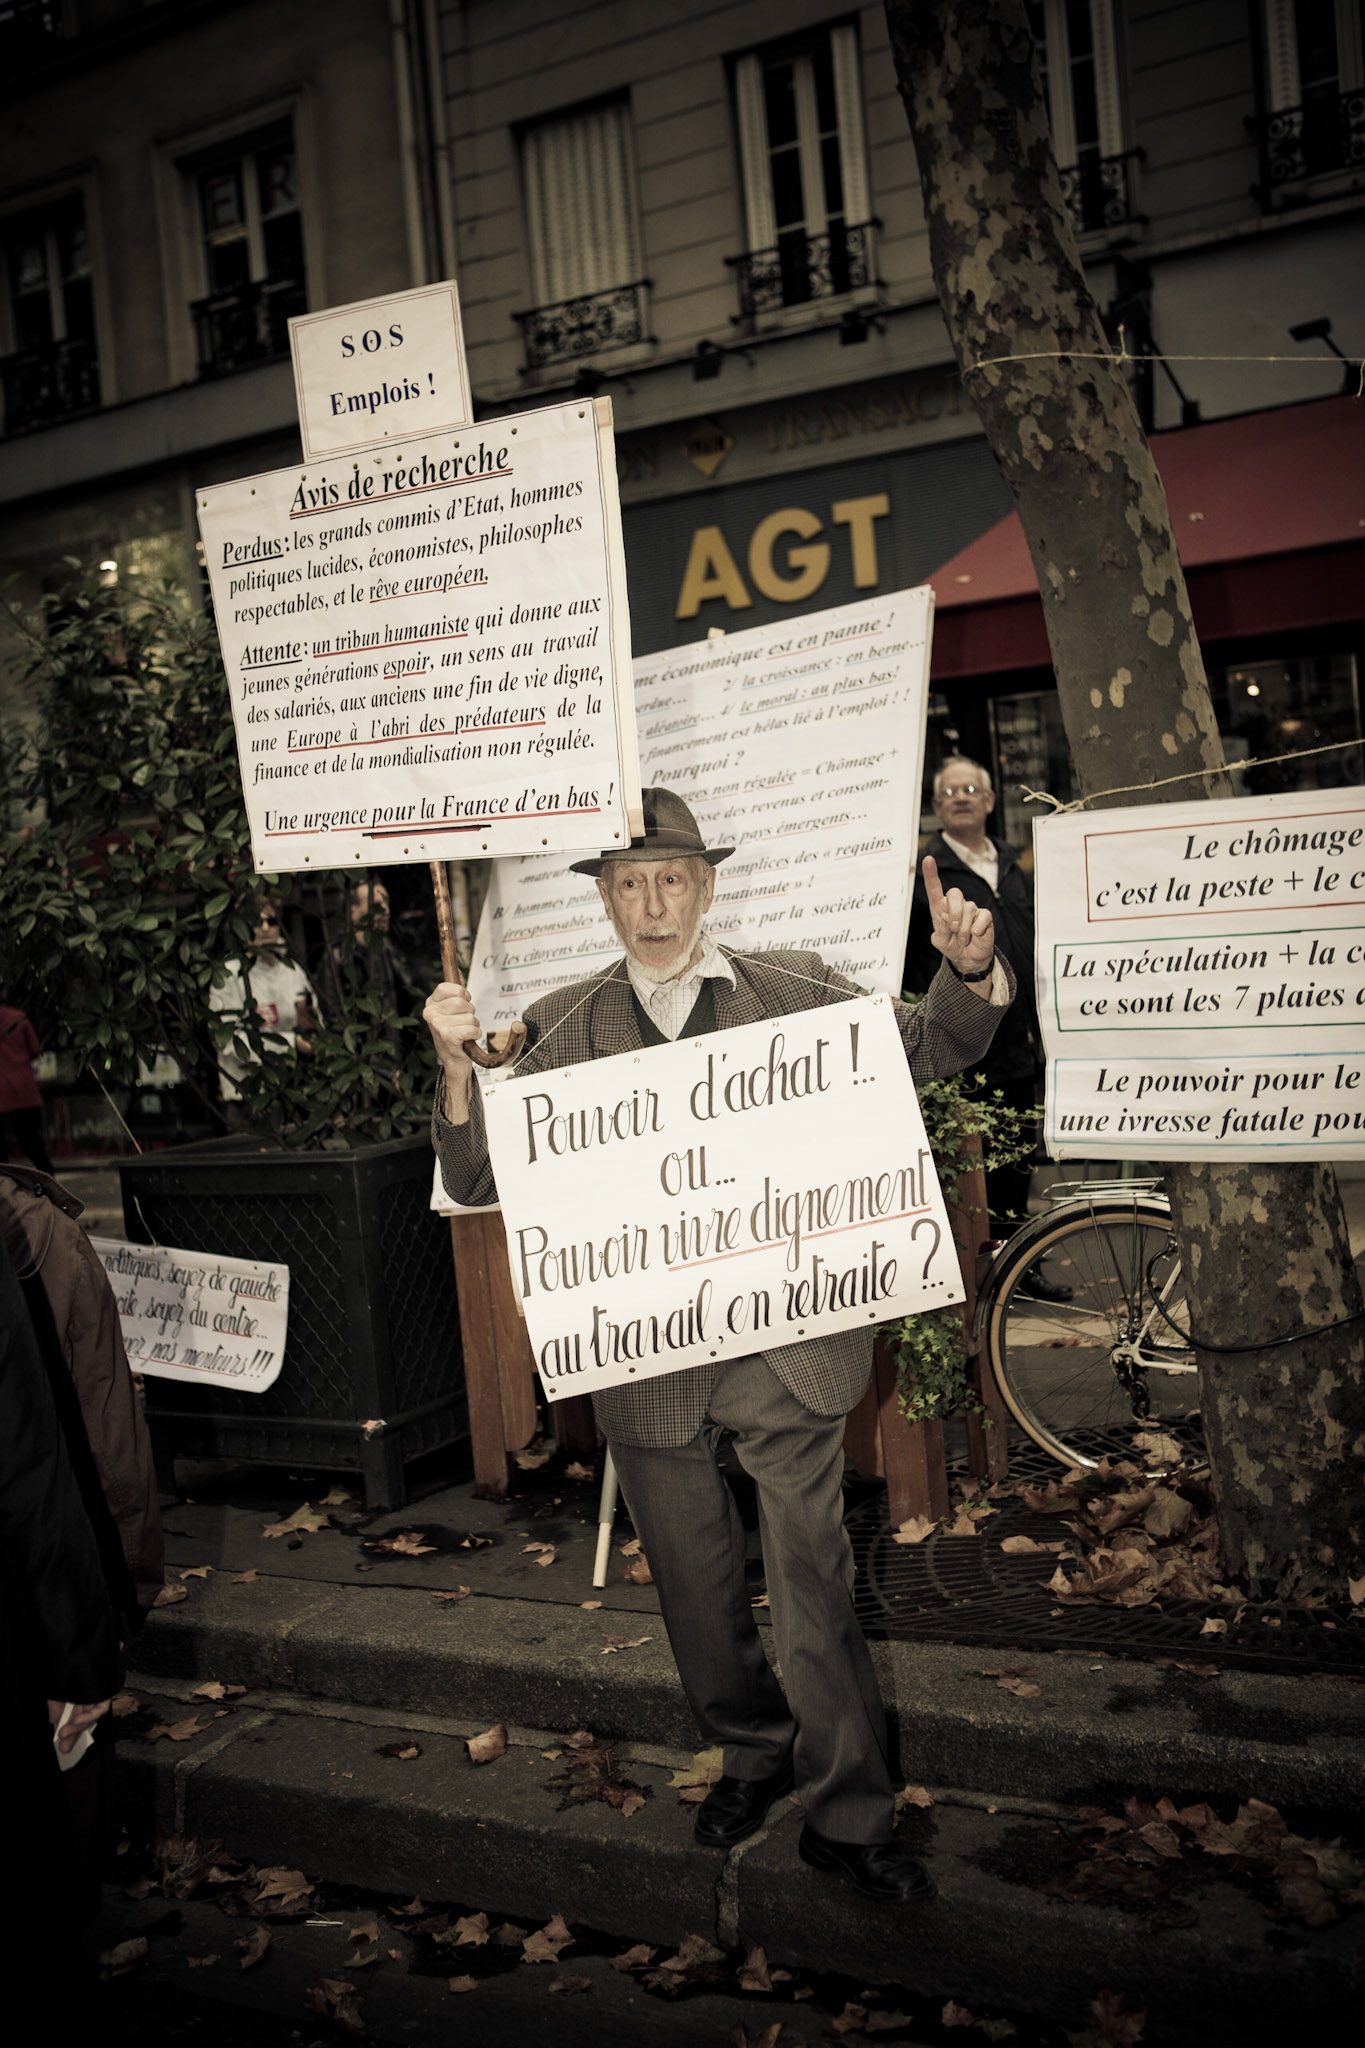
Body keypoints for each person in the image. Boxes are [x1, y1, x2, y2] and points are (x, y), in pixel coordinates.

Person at [425, 787, 1013, 1903]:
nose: (653, 904)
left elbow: (932, 1045)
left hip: (785, 1349)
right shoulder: (555, 1023)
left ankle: (849, 1812)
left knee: (811, 1574)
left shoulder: (795, 990)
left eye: (673, 879)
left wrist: (971, 971)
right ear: (603, 896)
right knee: (695, 1586)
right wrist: (459, 1066)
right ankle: (752, 1749)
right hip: (646, 1363)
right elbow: (476, 1175)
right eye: (630, 882)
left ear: (707, 885)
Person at [903, 756, 1071, 1304]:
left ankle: (1020, 1268)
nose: (962, 797)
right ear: (936, 806)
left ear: (991, 800)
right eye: (949, 792)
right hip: (966, 1047)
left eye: (972, 788)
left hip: (1020, 1041)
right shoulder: (923, 875)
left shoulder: (1014, 866)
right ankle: (985, 1282)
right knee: (977, 1173)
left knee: (1019, 1161)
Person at [209, 897, 317, 1111]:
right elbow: (226, 1041)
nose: (265, 928)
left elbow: (315, 1024)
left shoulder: (293, 971)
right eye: (257, 923)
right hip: (247, 1097)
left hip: (294, 1091)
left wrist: (309, 1026)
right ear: (242, 928)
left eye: (272, 921)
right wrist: (291, 1043)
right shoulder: (228, 975)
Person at [312, 878, 416, 1029]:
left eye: (386, 902)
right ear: (353, 911)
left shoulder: (389, 952)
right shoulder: (337, 958)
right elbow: (334, 1019)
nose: (385, 909)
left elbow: (407, 1004)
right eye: (376, 904)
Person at [0, 997, 55, 1175]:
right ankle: (49, 1179)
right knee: (31, 1141)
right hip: (24, 1088)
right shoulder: (19, 1018)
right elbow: (35, 1049)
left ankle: (4, 1188)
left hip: (2, 1090)